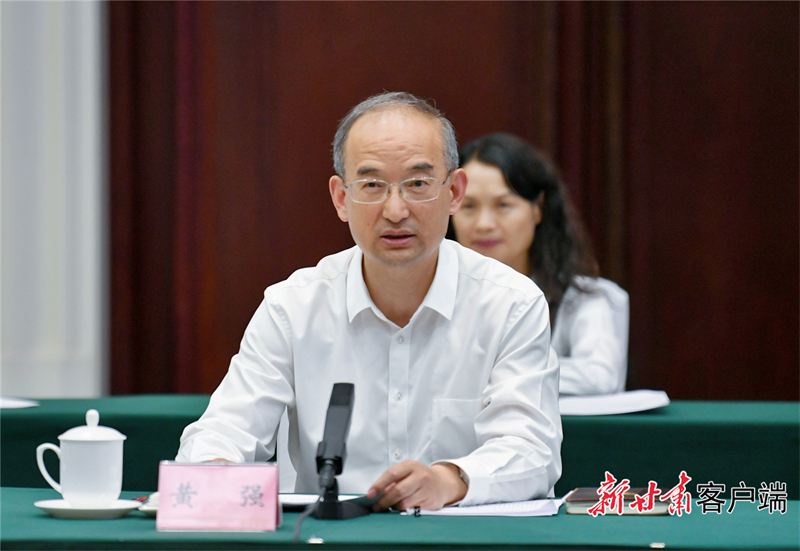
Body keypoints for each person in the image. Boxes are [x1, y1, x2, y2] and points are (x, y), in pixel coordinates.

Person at [176, 93, 562, 510]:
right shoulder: (292, 308)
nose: (395, 210)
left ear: (454, 192)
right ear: (341, 198)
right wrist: (214, 468)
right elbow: (224, 430)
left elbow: (532, 451)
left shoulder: (511, 304)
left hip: (457, 534)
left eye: (417, 184)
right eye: (372, 186)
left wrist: (448, 480)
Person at [450, 133, 628, 396]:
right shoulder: (430, 291)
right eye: (469, 207)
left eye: (503, 205)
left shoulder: (582, 297)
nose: (484, 224)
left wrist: (494, 371)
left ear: (537, 208)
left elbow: (600, 376)